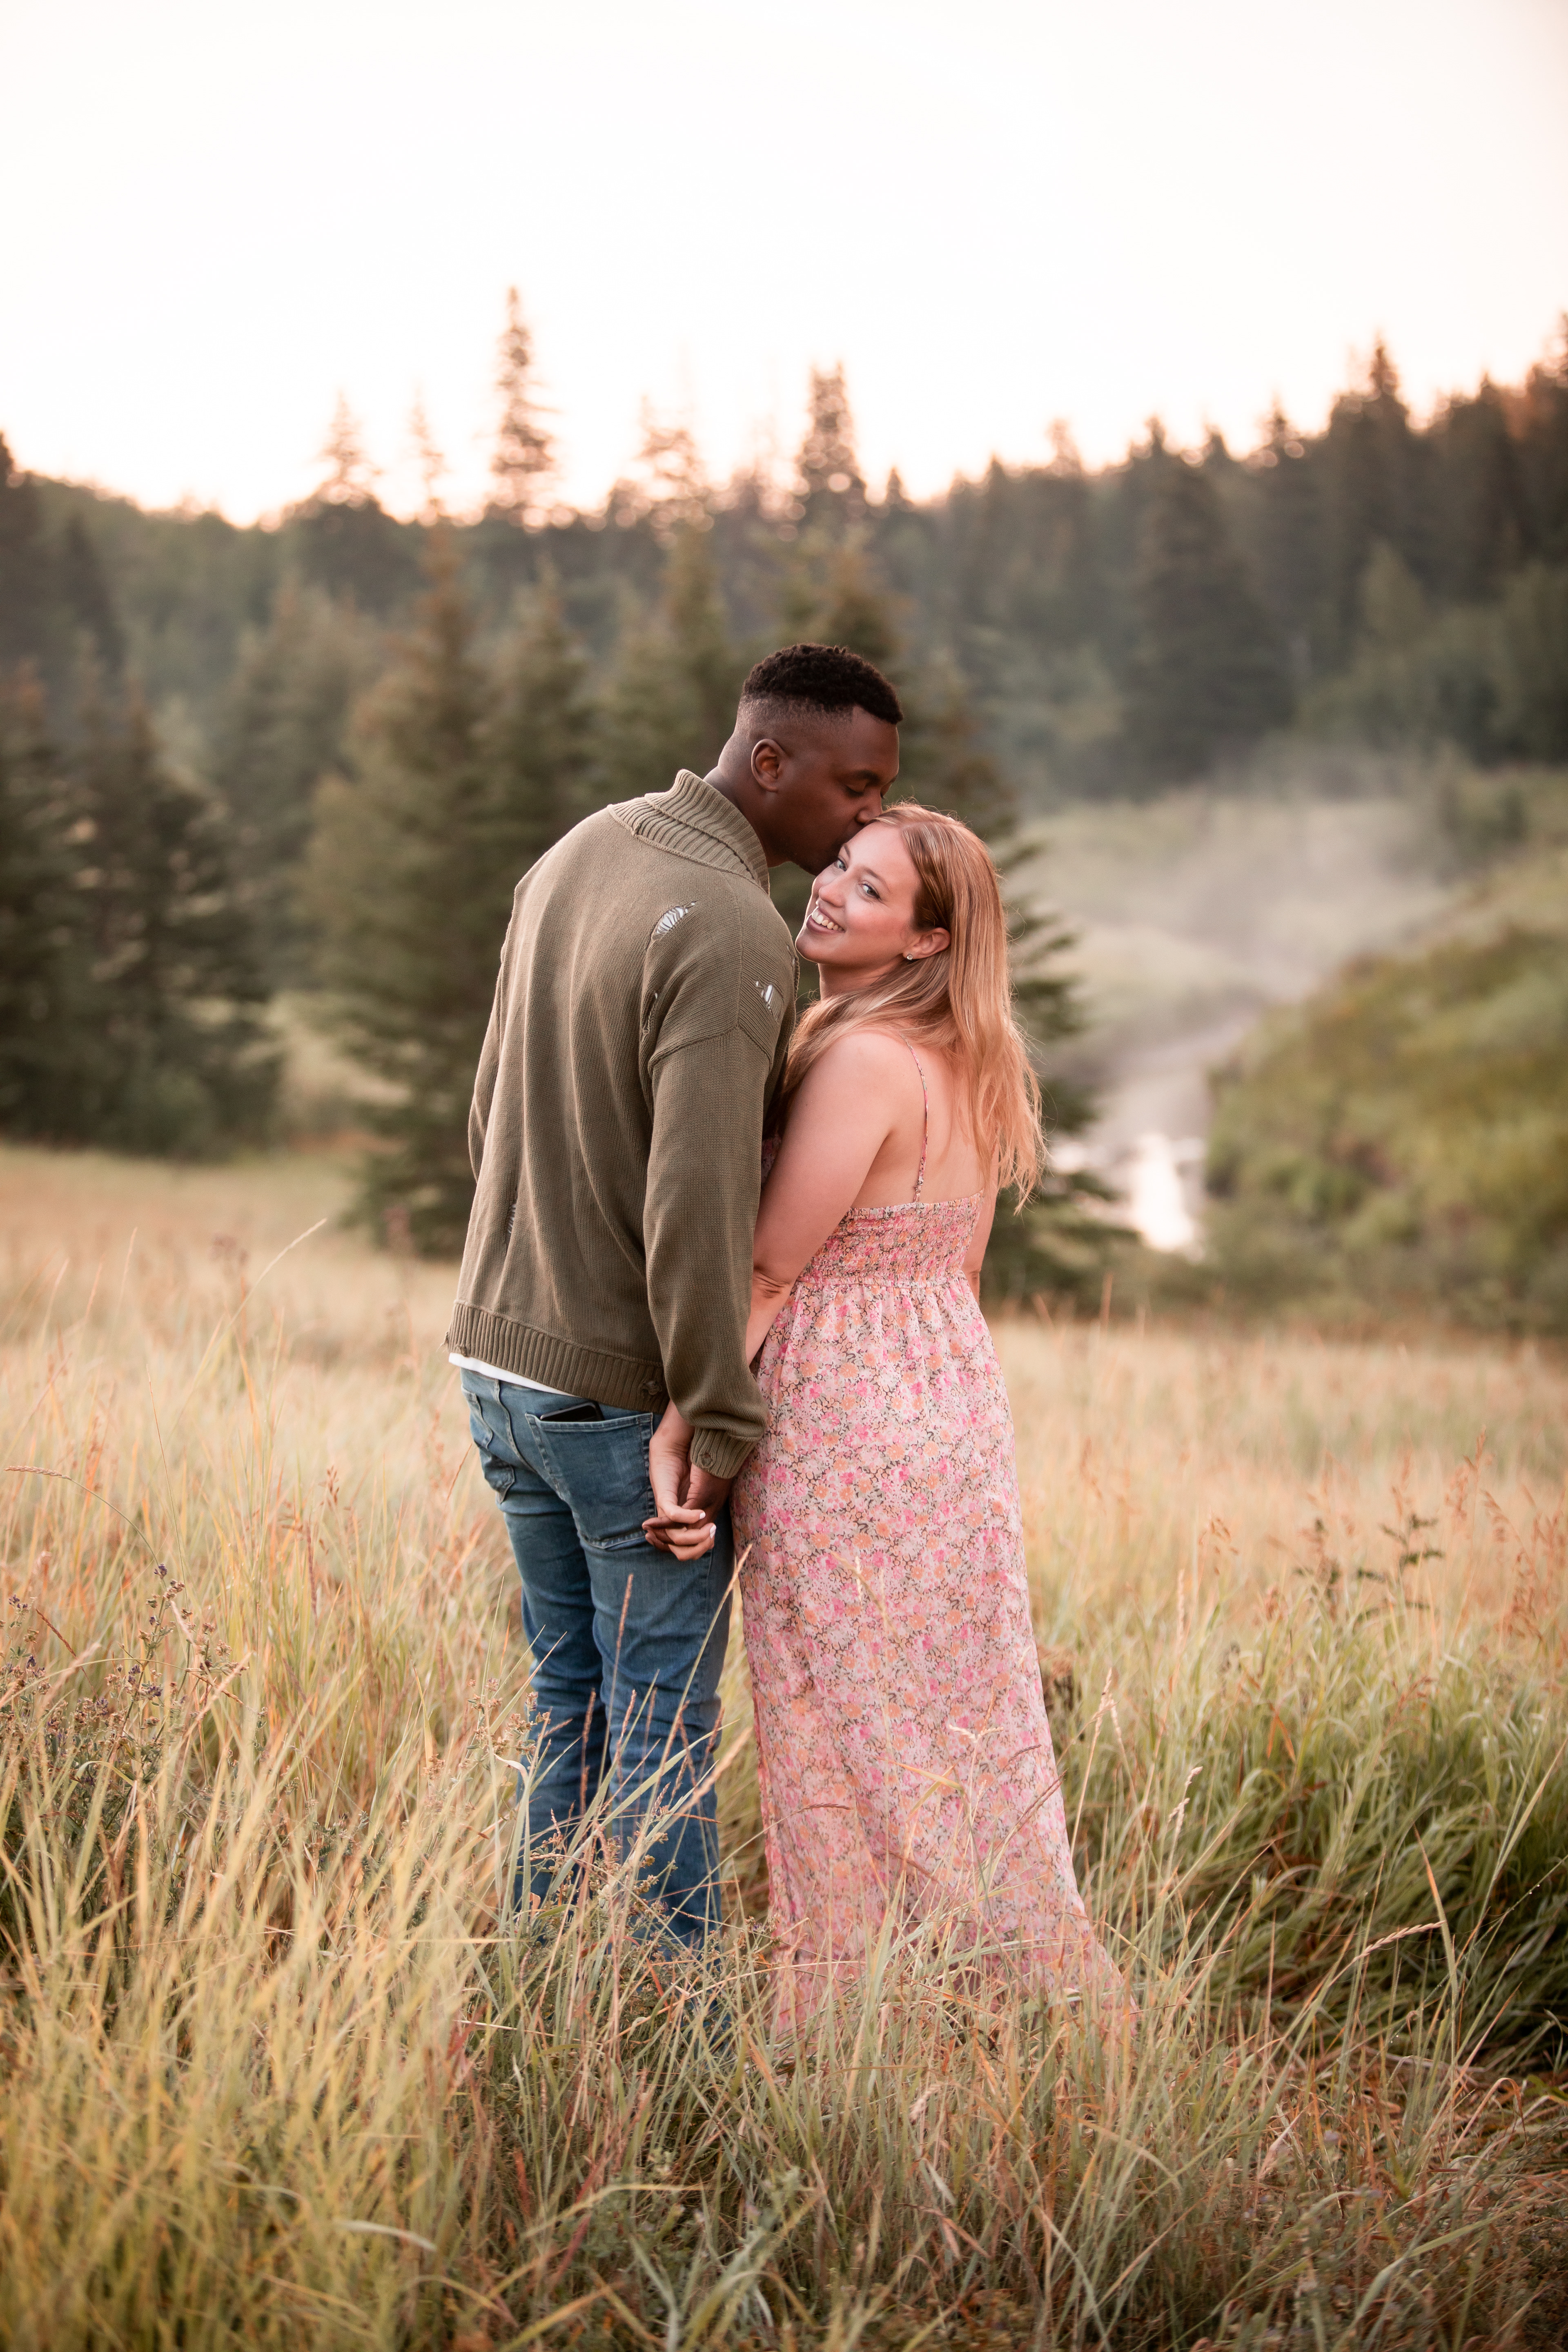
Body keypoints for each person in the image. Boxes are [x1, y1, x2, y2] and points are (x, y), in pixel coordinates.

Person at [446, 642, 904, 1945]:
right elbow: (696, 1211)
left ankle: (549, 1987)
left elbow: (487, 1114)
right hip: (609, 1403)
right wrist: (718, 1421)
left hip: (497, 1370)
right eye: (855, 789)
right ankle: (674, 2036)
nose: (866, 816)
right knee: (658, 1718)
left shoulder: (581, 850)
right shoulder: (732, 931)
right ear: (771, 762)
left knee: (568, 1700)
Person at [656, 806, 1127, 2025]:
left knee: (832, 1718)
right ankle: (1030, 2000)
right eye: (838, 872)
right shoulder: (973, 1056)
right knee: (956, 1719)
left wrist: (690, 1425)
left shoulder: (864, 1059)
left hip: (847, 1414)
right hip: (947, 1401)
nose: (827, 895)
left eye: (867, 894)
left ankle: (858, 2019)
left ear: (924, 941)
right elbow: (949, 1264)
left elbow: (769, 1267)